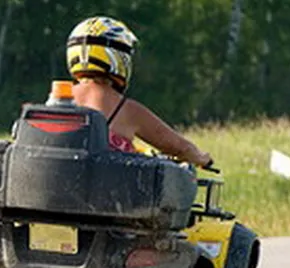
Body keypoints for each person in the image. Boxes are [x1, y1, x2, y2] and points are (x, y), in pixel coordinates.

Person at [64, 16, 213, 168]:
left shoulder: (58, 99)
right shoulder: (126, 109)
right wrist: (201, 158)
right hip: (108, 191)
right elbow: (180, 147)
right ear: (118, 56)